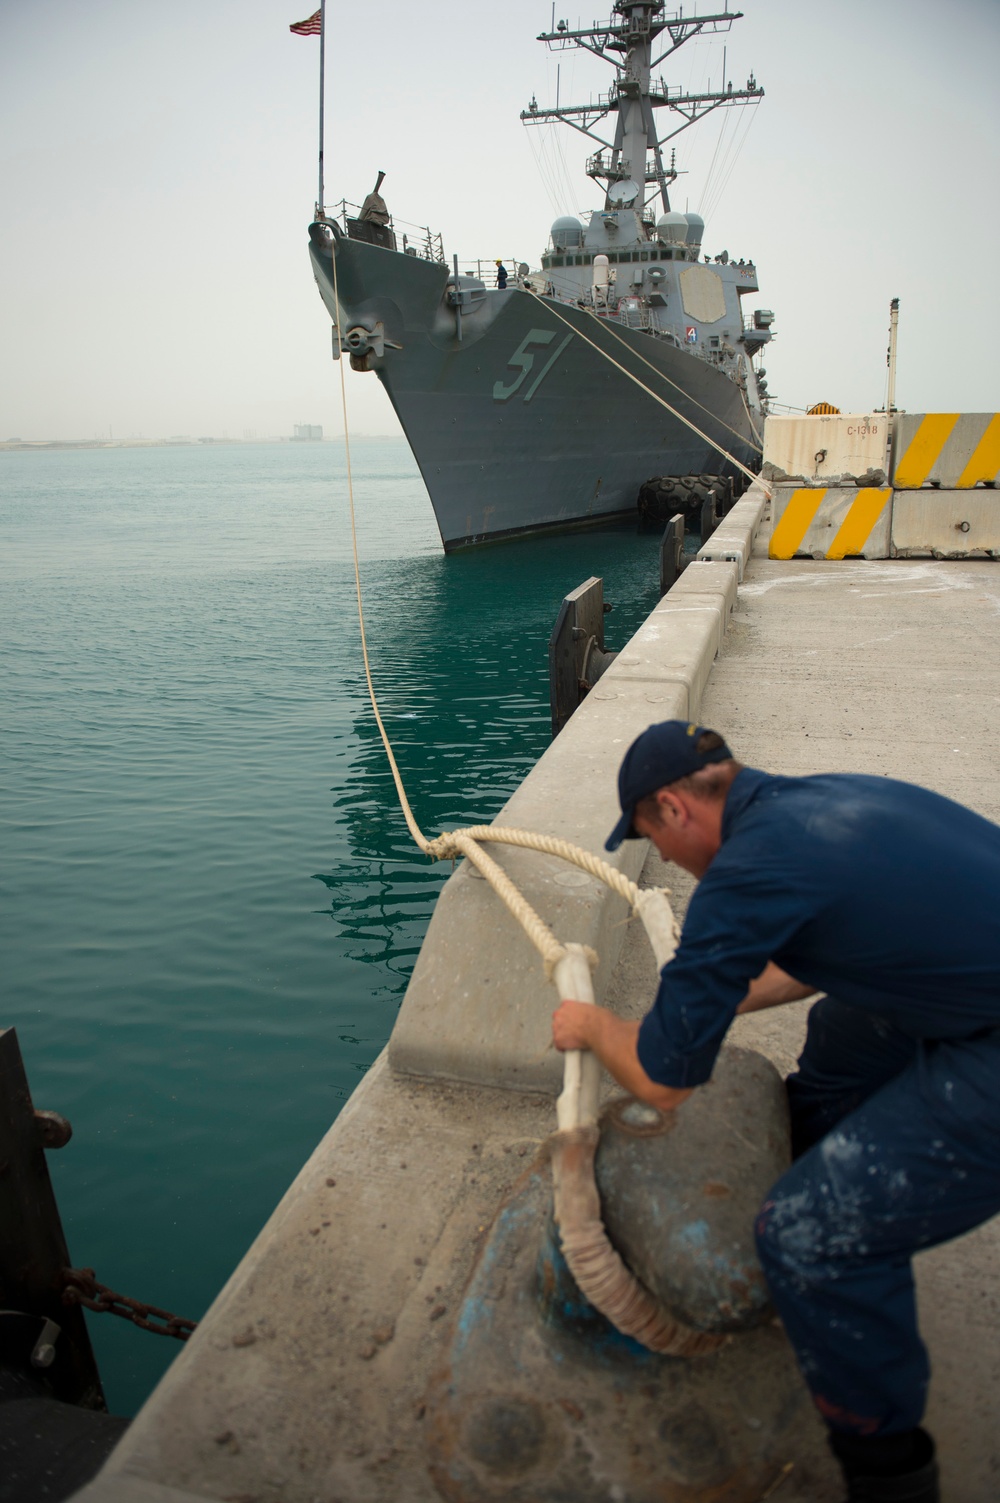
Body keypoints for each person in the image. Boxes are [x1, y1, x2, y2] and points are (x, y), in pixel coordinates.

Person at [551, 720, 1000, 1503]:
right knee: (844, 1028)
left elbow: (662, 1081)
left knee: (806, 1234)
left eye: (653, 837)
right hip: (978, 985)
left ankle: (889, 1469)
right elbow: (800, 966)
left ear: (672, 807)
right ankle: (810, 1166)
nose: (664, 857)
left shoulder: (746, 872)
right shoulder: (813, 805)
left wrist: (593, 1026)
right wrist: (707, 999)